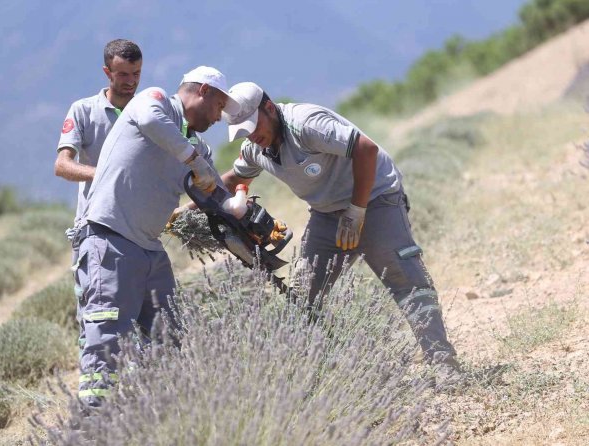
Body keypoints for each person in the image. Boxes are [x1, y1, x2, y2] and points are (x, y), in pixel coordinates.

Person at [219, 82, 459, 370]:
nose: (251, 136)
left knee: (405, 281)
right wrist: (184, 210)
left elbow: (365, 149)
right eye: (243, 132)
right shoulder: (257, 148)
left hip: (375, 199)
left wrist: (357, 211)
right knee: (303, 294)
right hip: (326, 214)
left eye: (252, 126)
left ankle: (444, 365)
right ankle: (330, 372)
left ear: (269, 108)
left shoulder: (306, 124)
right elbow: (233, 179)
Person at [74, 66, 240, 406]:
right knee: (105, 339)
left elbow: (214, 193)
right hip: (110, 238)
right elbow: (152, 123)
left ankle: (161, 416)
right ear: (203, 92)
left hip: (149, 250)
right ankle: (91, 427)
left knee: (169, 335)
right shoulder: (156, 101)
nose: (221, 117)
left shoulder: (196, 145)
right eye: (220, 107)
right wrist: (194, 162)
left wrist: (242, 214)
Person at [54, 38, 142, 363]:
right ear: (107, 72)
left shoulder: (146, 110)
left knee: (137, 325)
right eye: (123, 74)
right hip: (95, 232)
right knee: (95, 321)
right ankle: (95, 400)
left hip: (137, 233)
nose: (131, 81)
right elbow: (62, 165)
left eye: (136, 73)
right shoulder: (84, 111)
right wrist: (103, 174)